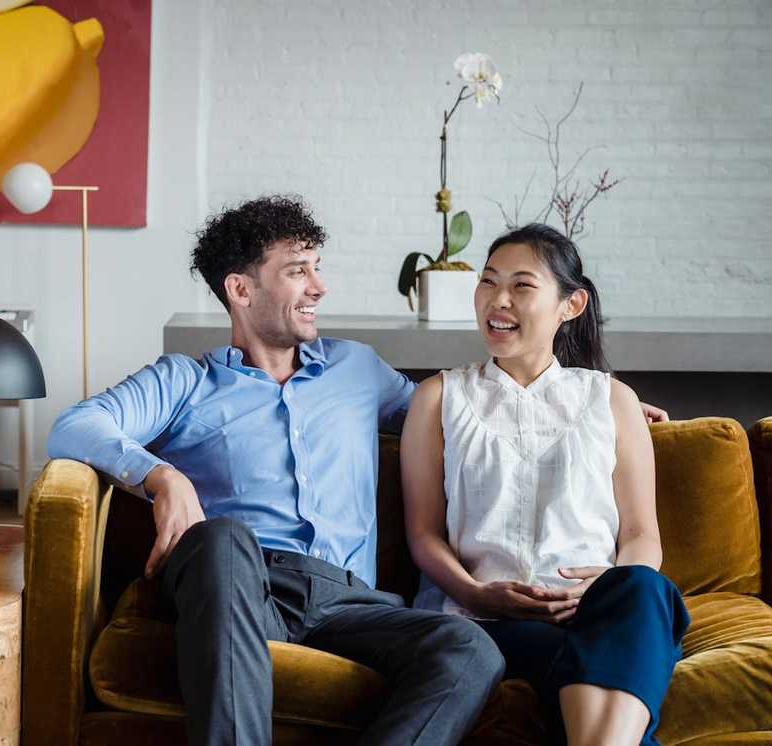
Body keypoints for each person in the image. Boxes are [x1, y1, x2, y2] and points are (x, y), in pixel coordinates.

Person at [48, 195, 505, 746]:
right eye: (297, 271)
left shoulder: (357, 369)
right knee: (221, 538)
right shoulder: (185, 381)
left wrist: (584, 403)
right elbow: (74, 426)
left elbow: (460, 419)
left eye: (317, 267)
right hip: (238, 588)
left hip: (350, 605)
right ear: (240, 290)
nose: (319, 286)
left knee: (469, 648)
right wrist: (163, 476)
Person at [401, 223, 690, 746]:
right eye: (488, 282)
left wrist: (602, 589)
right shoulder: (438, 397)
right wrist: (478, 594)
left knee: (647, 589)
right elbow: (423, 534)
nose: (498, 300)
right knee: (608, 672)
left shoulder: (612, 399)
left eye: (522, 285)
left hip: (599, 611)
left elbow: (641, 535)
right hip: (483, 620)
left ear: (570, 305)